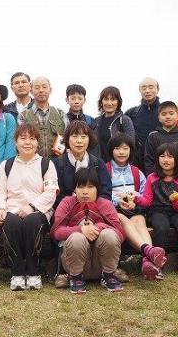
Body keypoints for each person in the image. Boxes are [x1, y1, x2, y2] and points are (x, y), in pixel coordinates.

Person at [0, 124, 59, 290]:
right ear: (15, 142)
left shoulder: (46, 164)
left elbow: (51, 191)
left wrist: (32, 207)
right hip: (12, 209)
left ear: (37, 142)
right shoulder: (6, 165)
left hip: (38, 211)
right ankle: (17, 273)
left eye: (32, 138)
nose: (27, 142)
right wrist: (0, 209)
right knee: (11, 222)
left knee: (31, 222)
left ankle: (33, 271)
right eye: (23, 138)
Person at [51, 120, 112, 288]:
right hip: (67, 212)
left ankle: (110, 269)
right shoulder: (57, 164)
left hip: (96, 212)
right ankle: (62, 271)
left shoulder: (97, 163)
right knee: (59, 226)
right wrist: (71, 201)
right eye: (75, 136)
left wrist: (93, 208)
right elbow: (54, 194)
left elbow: (106, 191)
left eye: (83, 136)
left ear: (89, 139)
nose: (79, 141)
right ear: (67, 139)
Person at [51, 168, 125, 293]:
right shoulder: (67, 203)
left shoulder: (105, 204)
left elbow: (120, 233)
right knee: (76, 237)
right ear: (74, 189)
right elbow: (56, 231)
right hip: (73, 262)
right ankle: (75, 278)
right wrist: (81, 229)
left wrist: (98, 227)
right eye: (80, 187)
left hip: (100, 262)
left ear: (97, 189)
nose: (85, 192)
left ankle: (108, 276)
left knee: (109, 234)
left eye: (90, 187)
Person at [106, 134, 167, 280]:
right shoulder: (105, 170)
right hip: (114, 211)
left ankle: (148, 260)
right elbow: (102, 193)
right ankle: (150, 255)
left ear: (131, 150)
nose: (121, 152)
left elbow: (145, 194)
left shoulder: (136, 172)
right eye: (117, 148)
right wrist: (117, 201)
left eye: (125, 148)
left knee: (139, 220)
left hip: (134, 209)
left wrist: (136, 201)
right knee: (124, 220)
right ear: (111, 151)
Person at [135, 142, 178, 278]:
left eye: (170, 157)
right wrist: (135, 198)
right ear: (157, 159)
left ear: (177, 159)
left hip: (176, 212)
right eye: (162, 156)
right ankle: (157, 263)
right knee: (161, 226)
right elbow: (147, 200)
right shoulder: (152, 178)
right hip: (157, 211)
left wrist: (175, 199)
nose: (165, 160)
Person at [19, 77, 66, 158]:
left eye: (44, 87)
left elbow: (66, 137)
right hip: (33, 162)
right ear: (31, 91)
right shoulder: (23, 115)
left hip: (57, 163)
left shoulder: (61, 114)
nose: (41, 90)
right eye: (37, 87)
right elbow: (20, 141)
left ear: (50, 90)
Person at [144, 101, 178, 176]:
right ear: (159, 118)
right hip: (158, 179)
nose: (168, 116)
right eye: (163, 114)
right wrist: (154, 179)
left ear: (177, 116)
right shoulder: (153, 136)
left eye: (171, 113)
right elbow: (149, 162)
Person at [125, 77, 161, 171]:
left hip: (161, 159)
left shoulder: (165, 112)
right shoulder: (131, 113)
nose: (147, 91)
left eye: (151, 87)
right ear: (140, 91)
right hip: (137, 161)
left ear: (157, 89)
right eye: (144, 88)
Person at [93, 86, 135, 160]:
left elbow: (131, 145)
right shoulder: (96, 121)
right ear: (101, 102)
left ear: (118, 102)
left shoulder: (124, 120)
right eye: (106, 99)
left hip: (118, 165)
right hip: (100, 165)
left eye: (113, 100)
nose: (109, 103)